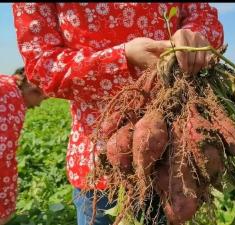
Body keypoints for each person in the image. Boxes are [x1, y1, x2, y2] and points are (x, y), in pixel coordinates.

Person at [12, 3, 223, 225]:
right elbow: (42, 66)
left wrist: (194, 37)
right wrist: (121, 58)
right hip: (101, 160)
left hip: (174, 156)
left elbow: (203, 14)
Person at [0, 67, 46, 225]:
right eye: (44, 99)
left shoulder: (5, 84)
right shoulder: (12, 96)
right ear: (34, 87)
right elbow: (3, 152)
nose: (39, 105)